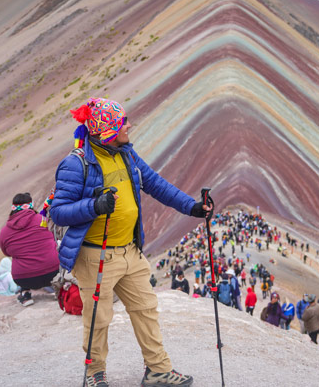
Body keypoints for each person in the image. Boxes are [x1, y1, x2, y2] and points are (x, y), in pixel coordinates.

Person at [50, 98, 213, 387]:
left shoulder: (127, 154)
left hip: (130, 251)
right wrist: (94, 206)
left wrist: (192, 208)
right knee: (98, 318)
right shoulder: (76, 165)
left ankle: (158, 370)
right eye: (122, 123)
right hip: (95, 256)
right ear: (106, 131)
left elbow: (156, 184)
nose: (128, 127)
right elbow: (58, 212)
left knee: (146, 309)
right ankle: (95, 373)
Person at [0, 192, 60, 306]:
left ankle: (26, 294)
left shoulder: (5, 231)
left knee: (20, 259)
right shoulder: (43, 220)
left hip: (24, 278)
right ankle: (59, 289)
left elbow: (6, 252)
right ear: (31, 205)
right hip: (53, 271)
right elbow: (55, 236)